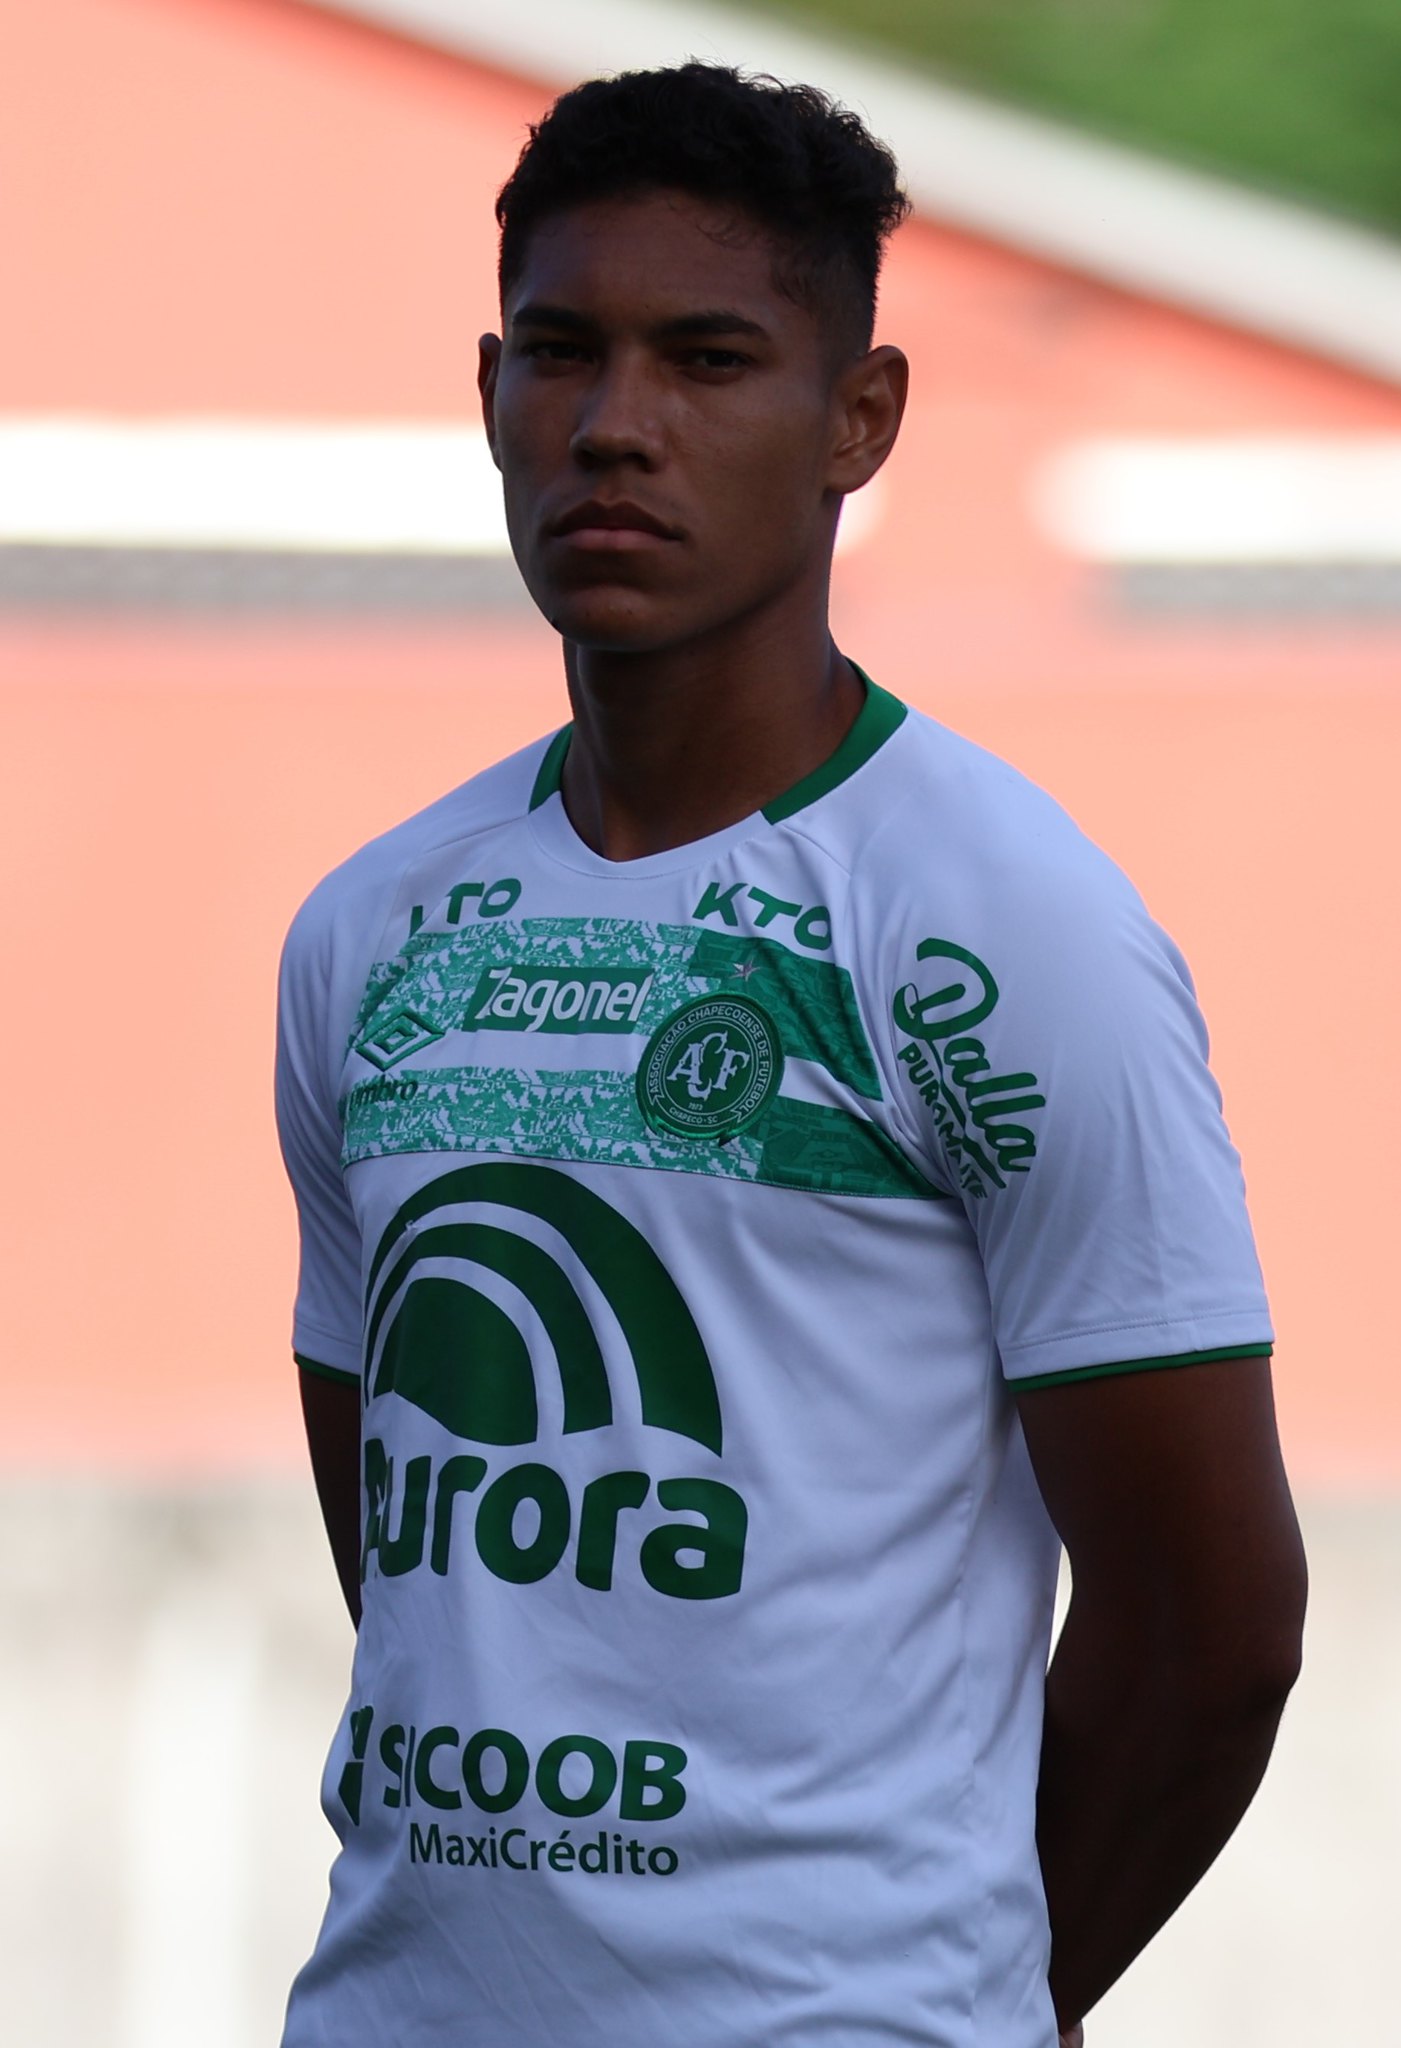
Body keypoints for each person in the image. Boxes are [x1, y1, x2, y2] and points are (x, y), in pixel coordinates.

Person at [276, 62, 1306, 2048]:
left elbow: (1210, 1630)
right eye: (560, 355)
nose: (613, 427)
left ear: (862, 421)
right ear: (488, 389)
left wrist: (970, 1993)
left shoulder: (997, 922)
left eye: (709, 359)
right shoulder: (373, 928)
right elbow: (423, 1570)